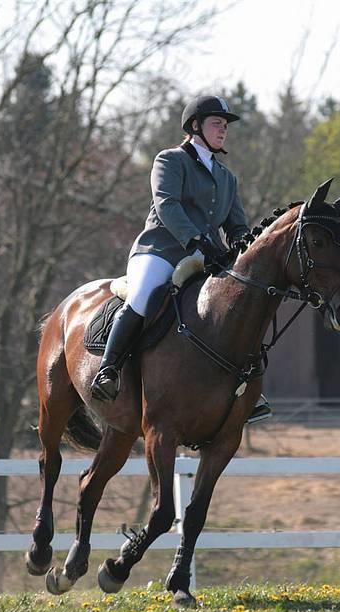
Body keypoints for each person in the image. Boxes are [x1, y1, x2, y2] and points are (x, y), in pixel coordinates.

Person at [91, 95, 254, 402]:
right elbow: (167, 204)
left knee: (239, 305)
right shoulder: (170, 160)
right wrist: (196, 240)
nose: (223, 130)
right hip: (161, 249)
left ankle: (246, 387)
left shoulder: (227, 178)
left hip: (207, 258)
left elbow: (236, 227)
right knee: (142, 295)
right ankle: (108, 369)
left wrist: (244, 245)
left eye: (225, 126)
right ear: (195, 126)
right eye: (216, 124)